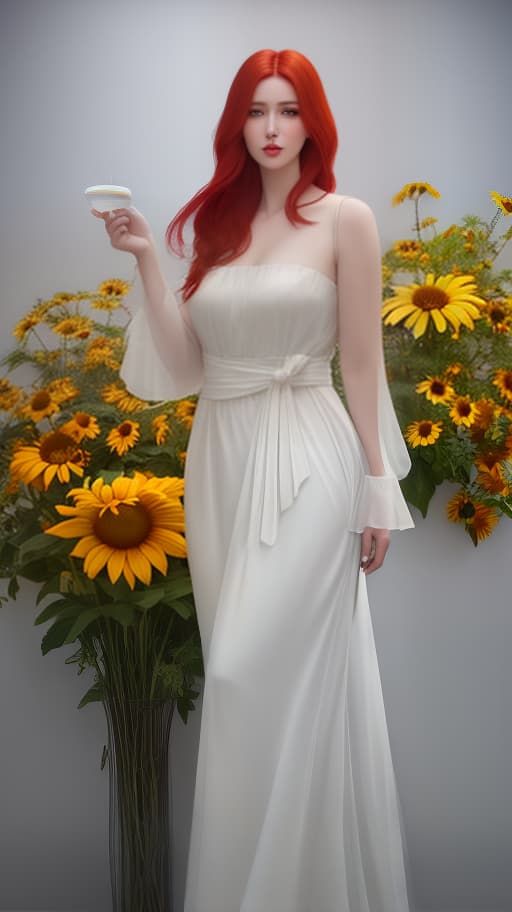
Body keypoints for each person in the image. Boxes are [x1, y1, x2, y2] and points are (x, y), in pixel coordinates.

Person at [94, 47, 415, 912]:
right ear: (237, 123)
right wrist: (147, 262)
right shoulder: (219, 230)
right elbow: (187, 364)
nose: (272, 128)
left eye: (289, 110)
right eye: (256, 111)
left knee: (240, 671)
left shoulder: (346, 219)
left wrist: (377, 489)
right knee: (253, 688)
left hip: (311, 455)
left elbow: (361, 362)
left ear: (314, 122)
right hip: (223, 459)